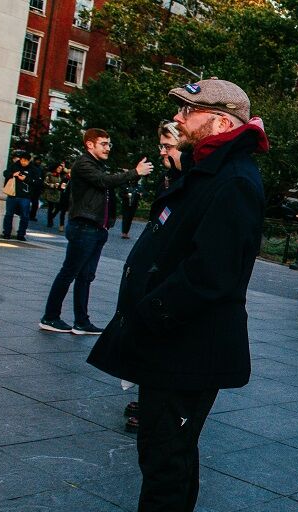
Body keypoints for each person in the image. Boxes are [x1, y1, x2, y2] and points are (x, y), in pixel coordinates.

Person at [80, 78, 268, 512]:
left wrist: (147, 317)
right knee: (173, 451)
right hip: (174, 343)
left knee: (163, 461)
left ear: (222, 121)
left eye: (191, 110)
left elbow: (211, 276)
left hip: (186, 347)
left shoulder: (233, 179)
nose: (180, 120)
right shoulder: (209, 171)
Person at [39, 130, 153, 334]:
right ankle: (50, 317)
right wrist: (135, 172)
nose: (108, 147)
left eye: (109, 144)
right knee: (69, 273)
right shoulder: (84, 163)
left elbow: (106, 184)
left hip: (96, 227)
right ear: (90, 145)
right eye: (103, 144)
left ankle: (81, 322)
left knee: (86, 276)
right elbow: (103, 181)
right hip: (84, 226)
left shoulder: (98, 165)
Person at [123, 121, 187, 435]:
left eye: (167, 146)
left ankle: (151, 401)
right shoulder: (169, 178)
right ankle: (144, 396)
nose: (161, 151)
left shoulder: (188, 181)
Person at [1, 150, 34, 240]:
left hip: (25, 196)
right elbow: (5, 173)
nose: (23, 162)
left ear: (29, 161)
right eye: (22, 160)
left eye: (26, 161)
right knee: (9, 214)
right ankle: (6, 233)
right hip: (12, 194)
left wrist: (25, 179)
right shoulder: (14, 166)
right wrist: (13, 174)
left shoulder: (33, 169)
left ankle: (21, 234)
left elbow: (37, 182)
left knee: (25, 216)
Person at [43, 162, 65, 228]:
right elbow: (45, 182)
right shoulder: (49, 174)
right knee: (51, 207)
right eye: (58, 168)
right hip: (50, 192)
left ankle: (51, 218)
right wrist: (52, 185)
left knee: (58, 208)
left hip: (57, 193)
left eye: (61, 168)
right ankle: (49, 221)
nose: (59, 169)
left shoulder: (60, 175)